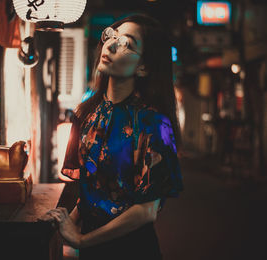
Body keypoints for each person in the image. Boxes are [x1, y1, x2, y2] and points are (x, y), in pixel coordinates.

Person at [43, 14, 184, 260]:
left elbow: (147, 210)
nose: (110, 45)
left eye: (127, 43)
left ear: (143, 67)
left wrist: (81, 239)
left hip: (132, 249)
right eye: (112, 36)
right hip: (89, 248)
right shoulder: (87, 114)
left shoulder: (153, 123)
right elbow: (93, 191)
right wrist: (64, 222)